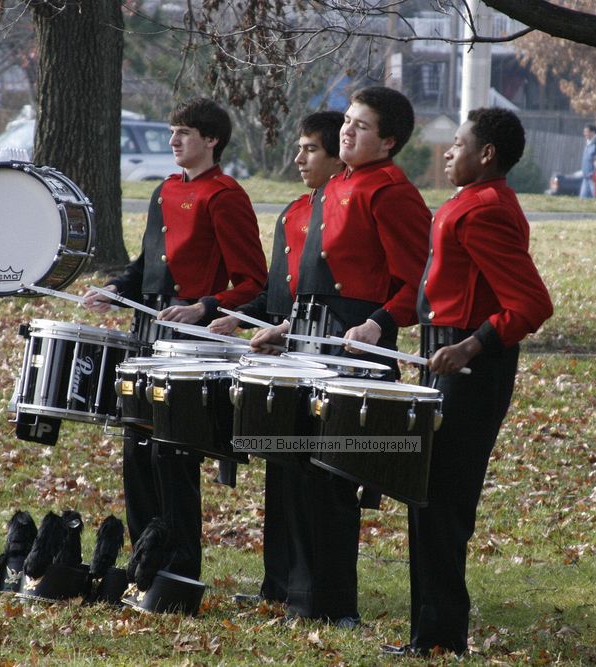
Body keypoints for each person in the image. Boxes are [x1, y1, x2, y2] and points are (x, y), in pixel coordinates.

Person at [250, 86, 431, 627]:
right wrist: (285, 327)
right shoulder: (338, 187)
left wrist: (380, 323)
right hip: (312, 340)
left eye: (362, 126)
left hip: (357, 348)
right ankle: (298, 599)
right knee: (300, 471)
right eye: (347, 122)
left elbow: (419, 281)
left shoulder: (391, 191)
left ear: (390, 141)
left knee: (332, 481)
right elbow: (317, 282)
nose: (347, 131)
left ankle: (331, 607)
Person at [384, 108, 553, 656]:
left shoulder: (486, 210)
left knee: (442, 501)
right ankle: (429, 634)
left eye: (458, 145)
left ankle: (441, 638)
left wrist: (468, 345)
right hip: (447, 355)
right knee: (426, 497)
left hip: (472, 368)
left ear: (487, 155)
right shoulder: (470, 202)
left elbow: (530, 303)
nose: (449, 152)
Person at [83, 98, 267, 579]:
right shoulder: (164, 190)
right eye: (172, 131)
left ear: (212, 140)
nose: (173, 141)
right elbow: (146, 266)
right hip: (147, 334)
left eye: (184, 132)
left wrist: (205, 305)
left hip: (189, 344)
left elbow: (253, 282)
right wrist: (116, 290)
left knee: (173, 454)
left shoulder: (226, 196)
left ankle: (179, 567)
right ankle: (144, 559)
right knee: (136, 449)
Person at [209, 111, 345, 605]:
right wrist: (237, 316)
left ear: (337, 156)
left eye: (310, 149)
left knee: (310, 476)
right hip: (280, 358)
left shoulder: (342, 213)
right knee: (279, 472)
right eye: (299, 147)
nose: (299, 158)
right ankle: (277, 584)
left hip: (320, 357)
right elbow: (273, 296)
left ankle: (309, 590)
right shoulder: (292, 212)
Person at [580, 123, 596, 199]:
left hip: (594, 177)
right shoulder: (588, 143)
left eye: (587, 132)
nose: (585, 134)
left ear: (593, 132)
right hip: (586, 177)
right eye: (584, 132)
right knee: (582, 200)